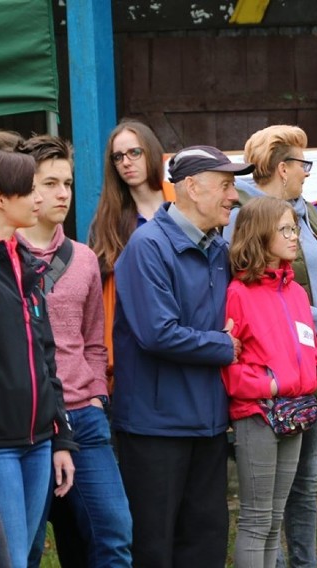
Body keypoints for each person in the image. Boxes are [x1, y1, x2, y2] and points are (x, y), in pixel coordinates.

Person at [112, 145, 252, 567]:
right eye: (225, 185)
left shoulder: (218, 248)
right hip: (156, 427)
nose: (234, 196)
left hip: (206, 423)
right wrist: (225, 346)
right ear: (191, 187)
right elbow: (158, 333)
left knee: (206, 542)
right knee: (155, 546)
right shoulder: (147, 247)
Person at [232, 125, 317, 568]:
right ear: (282, 168)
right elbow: (267, 295)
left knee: (304, 485)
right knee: (267, 506)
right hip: (279, 377)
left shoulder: (311, 214)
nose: (309, 173)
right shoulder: (248, 213)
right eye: (304, 164)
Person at [16, 135, 133, 567]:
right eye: (49, 183)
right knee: (23, 546)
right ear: (23, 187)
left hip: (84, 416)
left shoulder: (83, 258)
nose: (62, 193)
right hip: (23, 419)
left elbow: (91, 341)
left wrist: (98, 396)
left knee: (114, 535)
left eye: (66, 182)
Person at [0, 149, 77, 568]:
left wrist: (60, 437)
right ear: (0, 198)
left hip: (39, 441)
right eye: (29, 191)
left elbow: (45, 355)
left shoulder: (25, 262)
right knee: (11, 561)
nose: (39, 199)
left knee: (29, 556)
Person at [222, 197, 317, 568]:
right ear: (259, 234)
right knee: (256, 519)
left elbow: (307, 344)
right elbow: (228, 364)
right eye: (285, 229)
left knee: (275, 518)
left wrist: (311, 375)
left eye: (294, 228)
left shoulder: (296, 291)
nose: (294, 236)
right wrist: (270, 387)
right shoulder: (237, 293)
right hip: (259, 415)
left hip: (296, 412)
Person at [87, 119, 175, 390]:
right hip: (131, 353)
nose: (126, 162)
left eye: (134, 152)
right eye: (118, 156)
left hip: (183, 338)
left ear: (151, 152)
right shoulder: (107, 221)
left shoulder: (183, 204)